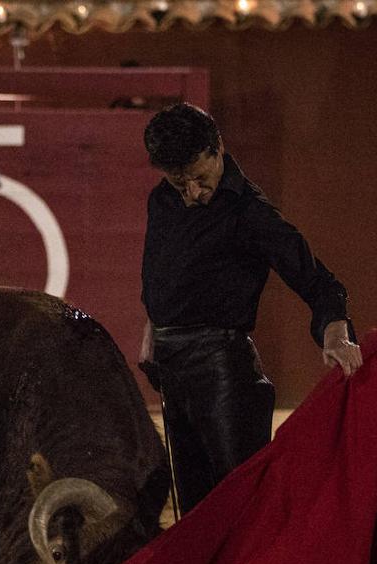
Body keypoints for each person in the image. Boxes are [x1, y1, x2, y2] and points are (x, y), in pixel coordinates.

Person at [138, 103, 363, 516]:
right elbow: (160, 273)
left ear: (218, 147)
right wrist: (154, 327)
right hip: (172, 368)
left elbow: (320, 282)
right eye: (178, 182)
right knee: (195, 510)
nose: (191, 195)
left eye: (200, 179)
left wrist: (336, 333)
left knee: (244, 502)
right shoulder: (161, 201)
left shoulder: (250, 213)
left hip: (223, 370)